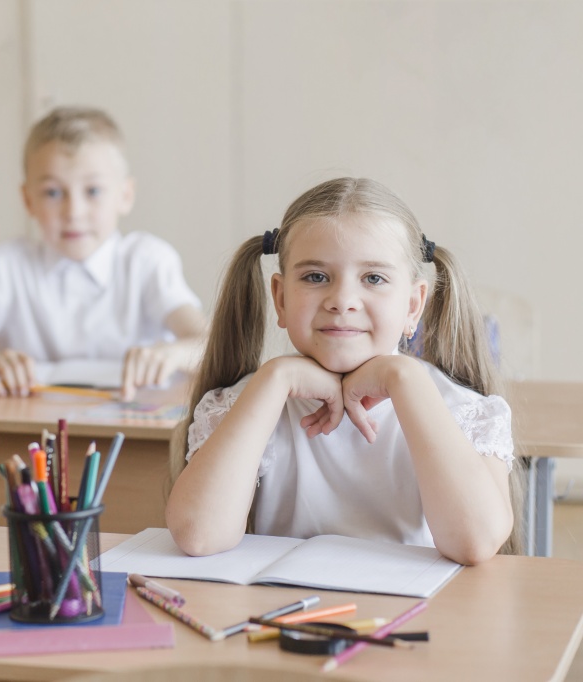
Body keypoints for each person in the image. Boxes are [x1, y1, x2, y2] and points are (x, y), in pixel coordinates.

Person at [165, 177, 524, 565]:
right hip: (286, 618)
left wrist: (403, 379)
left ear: (413, 306)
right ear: (281, 299)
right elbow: (198, 535)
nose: (342, 301)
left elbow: (475, 542)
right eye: (316, 277)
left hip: (420, 621)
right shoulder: (247, 402)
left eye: (373, 278)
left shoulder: (462, 410)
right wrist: (276, 378)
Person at [0, 106, 207, 401]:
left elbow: (209, 344)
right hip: (30, 428)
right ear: (28, 199)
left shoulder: (147, 261)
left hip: (139, 427)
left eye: (93, 191)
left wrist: (172, 355)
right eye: (53, 193)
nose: (74, 212)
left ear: (125, 195)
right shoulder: (4, 266)